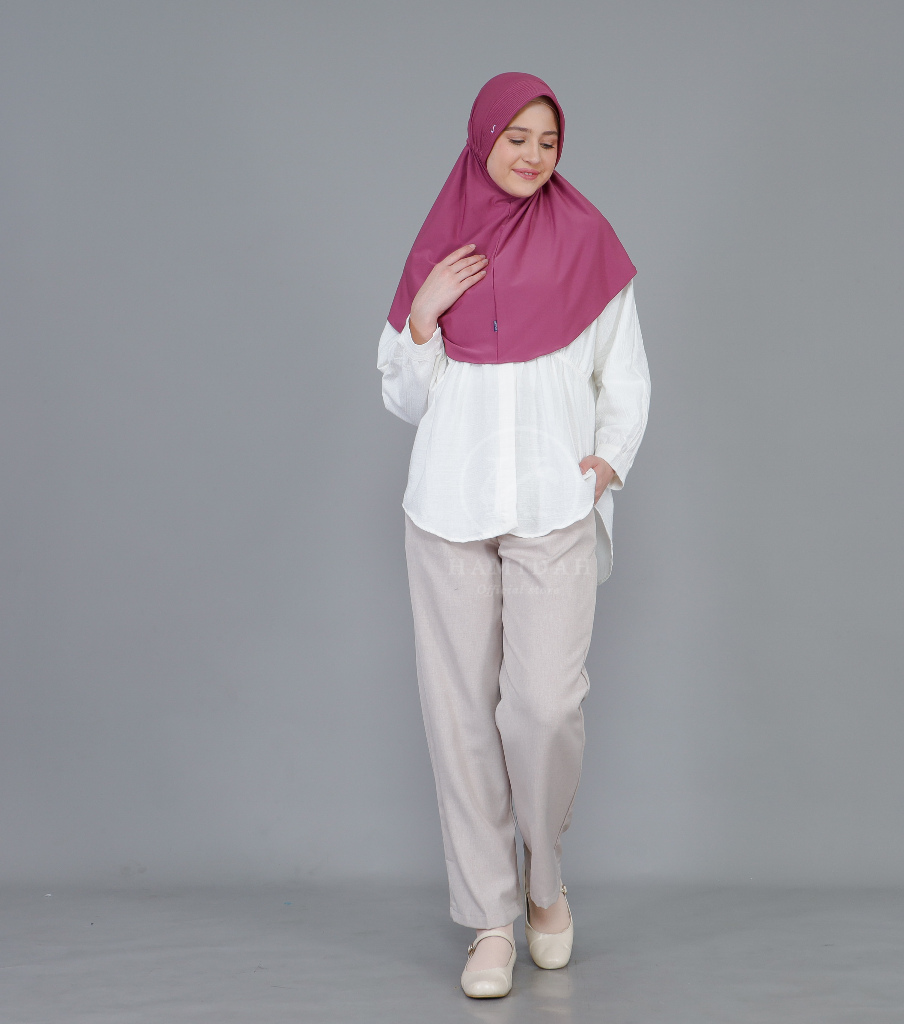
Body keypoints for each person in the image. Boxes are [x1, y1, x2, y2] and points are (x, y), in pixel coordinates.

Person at [376, 72, 651, 999]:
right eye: (516, 137)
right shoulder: (439, 247)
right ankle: (491, 921)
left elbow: (626, 376)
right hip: (446, 509)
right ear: (482, 137)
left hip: (552, 508)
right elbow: (403, 397)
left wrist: (606, 463)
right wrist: (423, 316)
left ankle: (544, 882)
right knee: (458, 717)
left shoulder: (588, 242)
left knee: (543, 709)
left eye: (548, 140)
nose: (532, 155)